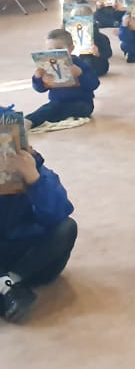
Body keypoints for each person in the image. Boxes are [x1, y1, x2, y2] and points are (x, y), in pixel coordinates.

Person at [0, 131, 77, 322]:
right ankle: (8, 290)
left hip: (31, 261)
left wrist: (33, 178)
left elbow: (57, 215)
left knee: (67, 228)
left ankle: (8, 285)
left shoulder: (40, 173)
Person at [28, 30, 100, 131]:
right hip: (57, 102)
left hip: (82, 104)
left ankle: (30, 121)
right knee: (47, 109)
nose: (54, 53)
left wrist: (80, 74)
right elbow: (40, 89)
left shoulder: (80, 65)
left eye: (59, 49)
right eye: (50, 50)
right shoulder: (48, 67)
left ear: (71, 48)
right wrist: (37, 78)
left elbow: (94, 84)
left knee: (55, 110)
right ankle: (26, 121)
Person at [67, 3, 112, 77]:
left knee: (88, 60)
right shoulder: (70, 36)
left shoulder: (101, 37)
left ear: (92, 22)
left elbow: (108, 53)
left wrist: (98, 53)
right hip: (77, 60)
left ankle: (84, 72)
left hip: (97, 64)